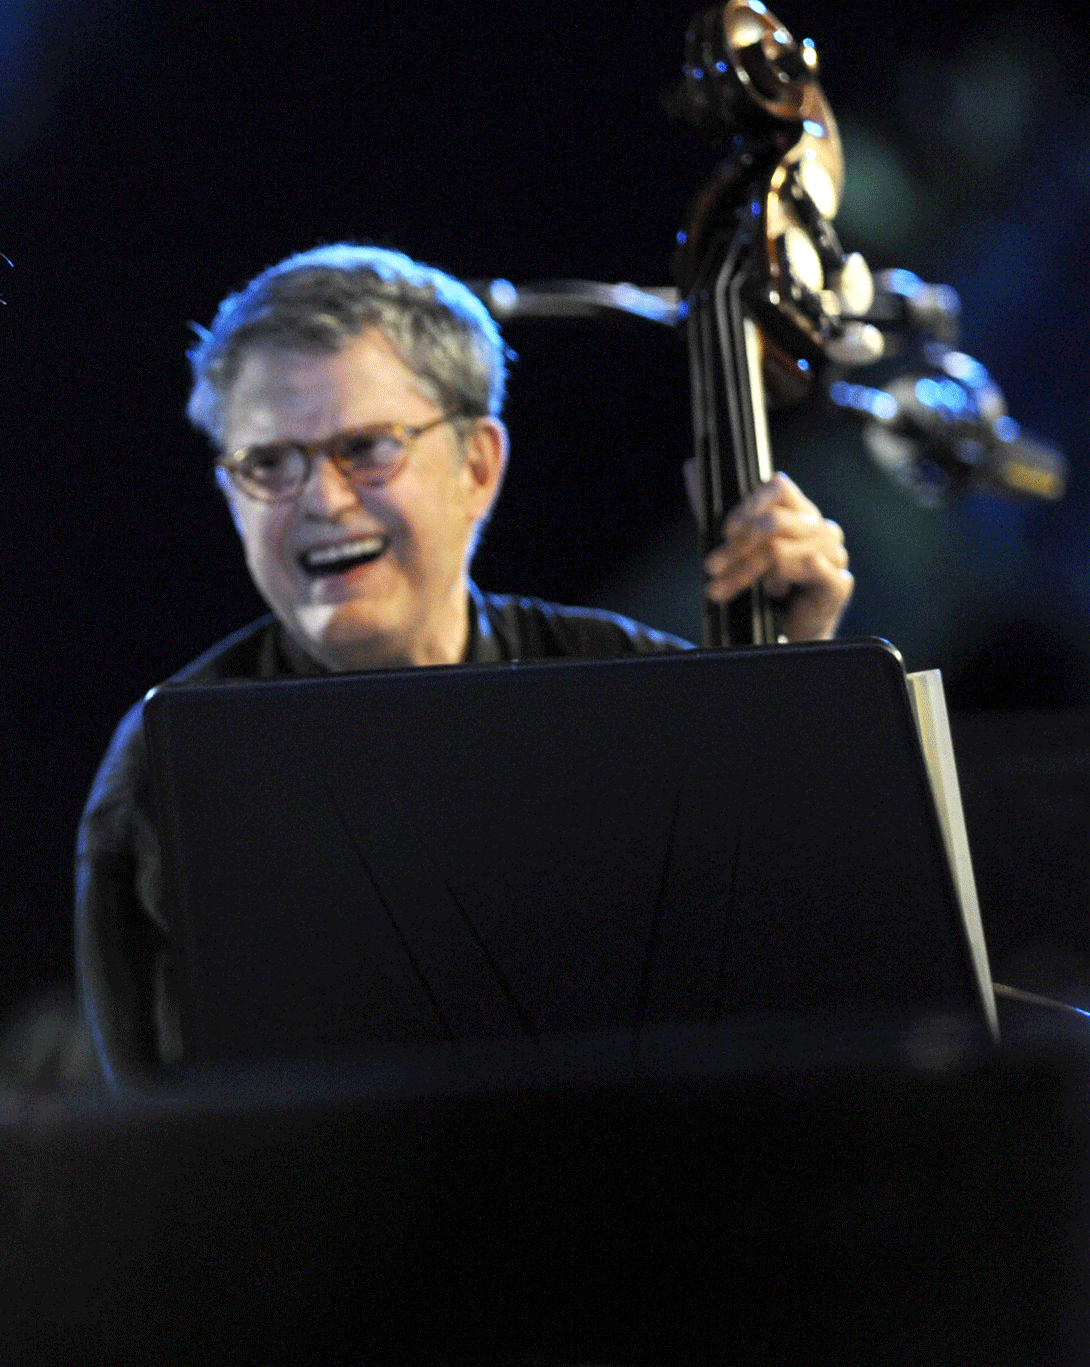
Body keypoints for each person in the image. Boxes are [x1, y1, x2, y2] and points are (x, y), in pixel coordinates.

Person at [75, 245, 853, 1082]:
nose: (323, 500)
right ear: (232, 493)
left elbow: (804, 964)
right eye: (268, 464)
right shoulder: (169, 764)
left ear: (478, 465)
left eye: (366, 448)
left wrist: (795, 681)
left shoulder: (638, 690)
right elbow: (158, 1130)